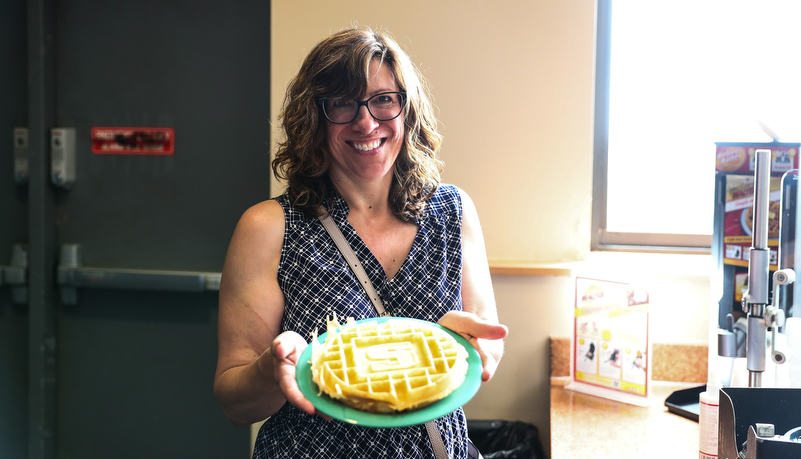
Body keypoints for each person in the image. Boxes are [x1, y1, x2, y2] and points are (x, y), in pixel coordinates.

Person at [213, 25, 508, 459]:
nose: (366, 121)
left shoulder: (453, 212)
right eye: (343, 103)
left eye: (383, 100)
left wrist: (469, 349)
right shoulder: (269, 227)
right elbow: (234, 401)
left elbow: (487, 347)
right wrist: (271, 371)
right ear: (315, 117)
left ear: (406, 109)